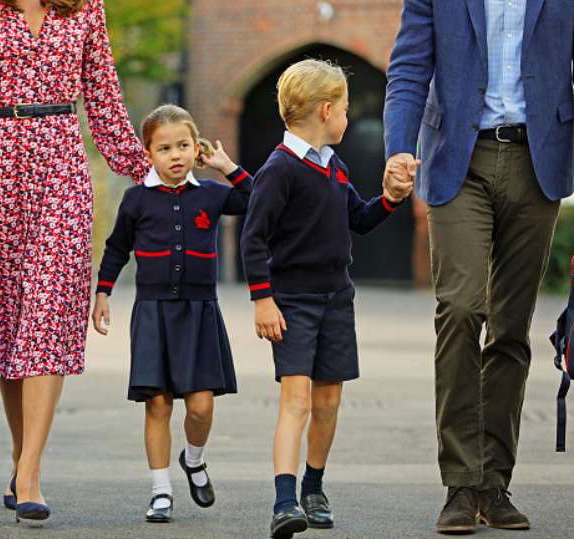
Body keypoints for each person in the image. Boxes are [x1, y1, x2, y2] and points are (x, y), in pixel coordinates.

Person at [0, 0, 150, 525]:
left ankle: (30, 472)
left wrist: (149, 172)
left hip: (63, 169)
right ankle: (21, 456)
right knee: (6, 322)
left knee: (48, 315)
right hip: (0, 168)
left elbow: (105, 100)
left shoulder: (85, 8)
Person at [383, 1, 573, 533]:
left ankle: (494, 484)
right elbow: (409, 68)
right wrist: (398, 149)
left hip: (539, 161)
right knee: (462, 308)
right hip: (457, 161)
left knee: (512, 327)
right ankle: (461, 484)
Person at [240, 59, 415, 539]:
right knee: (295, 399)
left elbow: (358, 217)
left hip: (338, 298)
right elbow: (253, 239)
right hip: (292, 302)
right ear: (325, 110)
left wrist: (391, 200)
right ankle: (283, 501)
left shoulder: (333, 166)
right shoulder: (280, 169)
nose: (347, 116)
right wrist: (262, 300)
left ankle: (313, 487)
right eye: (344, 109)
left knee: (329, 400)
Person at [91, 104, 253, 523]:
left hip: (200, 313)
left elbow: (258, 200)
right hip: (153, 313)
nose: (175, 155)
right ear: (148, 153)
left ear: (195, 147)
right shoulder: (136, 198)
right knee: (158, 405)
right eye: (164, 148)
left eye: (183, 145)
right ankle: (160, 491)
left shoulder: (212, 194)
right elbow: (116, 249)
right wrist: (102, 294)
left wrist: (227, 166)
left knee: (200, 407)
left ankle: (194, 460)